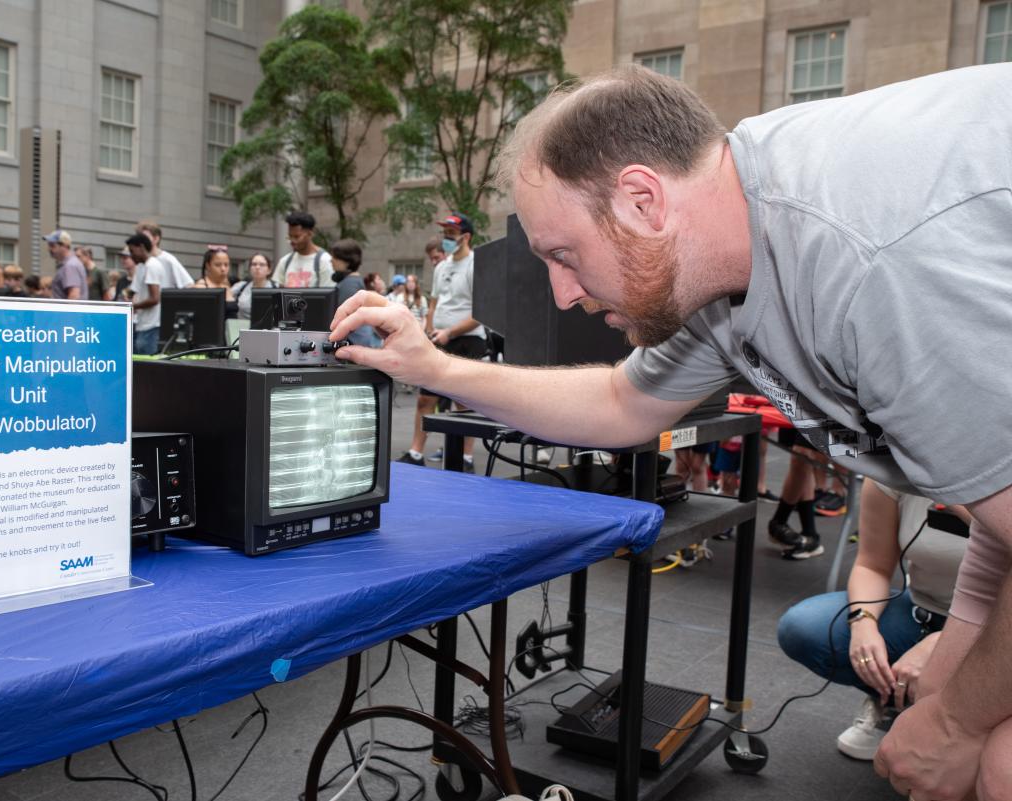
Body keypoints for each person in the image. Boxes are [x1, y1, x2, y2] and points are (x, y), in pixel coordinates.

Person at [328, 64, 1012, 801]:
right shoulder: (731, 243)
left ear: (642, 199)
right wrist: (433, 366)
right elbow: (624, 401)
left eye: (564, 254)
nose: (563, 291)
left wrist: (963, 724)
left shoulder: (867, 265)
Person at [777, 480, 967, 760]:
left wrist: (947, 644)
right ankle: (895, 703)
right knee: (804, 627)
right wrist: (863, 624)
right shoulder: (892, 469)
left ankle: (969, 725)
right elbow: (872, 565)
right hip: (925, 611)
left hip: (996, 630)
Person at [395, 212, 485, 471]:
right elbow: (433, 304)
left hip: (468, 340)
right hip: (440, 339)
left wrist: (451, 332)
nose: (446, 238)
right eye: (444, 233)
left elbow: (480, 313)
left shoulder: (476, 265)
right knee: (425, 398)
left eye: (451, 234)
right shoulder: (442, 266)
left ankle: (466, 458)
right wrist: (432, 331)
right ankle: (415, 452)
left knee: (463, 402)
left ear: (466, 237)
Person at [329, 239, 380, 348]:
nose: (331, 261)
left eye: (334, 257)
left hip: (353, 343)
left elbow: (342, 319)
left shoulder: (349, 284)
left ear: (346, 260)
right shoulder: (354, 281)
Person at [273, 211, 333, 288]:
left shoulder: (324, 261)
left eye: (297, 237)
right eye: (290, 236)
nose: (292, 241)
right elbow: (278, 294)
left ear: (310, 234)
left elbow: (328, 295)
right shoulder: (285, 261)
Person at [125, 233, 164, 355]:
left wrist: (132, 307)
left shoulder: (152, 266)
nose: (131, 256)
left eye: (132, 251)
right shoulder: (142, 267)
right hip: (142, 325)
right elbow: (133, 290)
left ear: (141, 247)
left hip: (151, 326)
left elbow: (154, 298)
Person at [135, 221, 193, 290]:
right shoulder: (140, 263)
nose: (141, 242)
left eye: (145, 238)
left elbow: (189, 284)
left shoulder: (168, 260)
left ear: (156, 239)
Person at [192, 246, 239, 317]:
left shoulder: (228, 285)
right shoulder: (201, 287)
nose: (223, 269)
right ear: (208, 265)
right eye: (218, 265)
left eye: (226, 265)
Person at [43, 230, 88, 300]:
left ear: (64, 246)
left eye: (52, 245)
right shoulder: (71, 264)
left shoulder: (70, 265)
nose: (49, 249)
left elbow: (74, 296)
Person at [231, 253, 276, 321]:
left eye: (262, 264)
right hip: (242, 328)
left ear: (269, 270)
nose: (257, 267)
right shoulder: (239, 287)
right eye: (254, 264)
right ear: (249, 269)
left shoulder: (277, 289)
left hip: (269, 329)